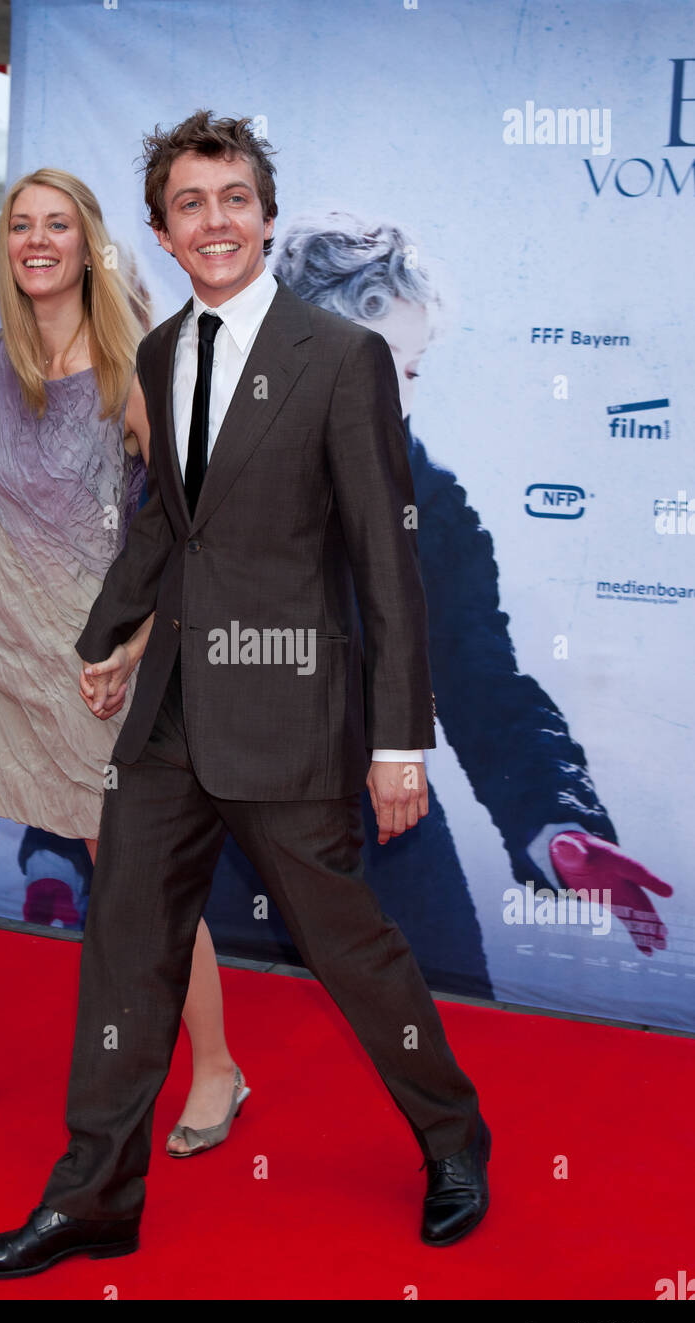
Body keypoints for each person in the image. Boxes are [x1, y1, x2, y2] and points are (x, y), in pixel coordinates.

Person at [0, 111, 491, 1279]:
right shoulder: (157, 356)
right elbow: (168, 521)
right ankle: (93, 1192)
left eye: (233, 198)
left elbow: (384, 561)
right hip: (166, 717)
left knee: (349, 950)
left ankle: (453, 1135)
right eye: (190, 204)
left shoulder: (338, 357)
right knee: (122, 951)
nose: (214, 221)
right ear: (159, 230)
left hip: (290, 715)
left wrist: (399, 739)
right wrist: (107, 634)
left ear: (264, 215)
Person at [0, 168, 246, 1158]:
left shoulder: (136, 367)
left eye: (56, 224)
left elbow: (192, 524)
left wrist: (135, 642)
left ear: (87, 244)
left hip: (94, 655)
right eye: (21, 224)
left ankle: (215, 1067)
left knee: (138, 877)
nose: (37, 238)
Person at [274, 212, 670, 968]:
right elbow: (139, 677)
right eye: (374, 359)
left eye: (412, 367)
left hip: (389, 841)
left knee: (443, 1043)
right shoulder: (205, 479)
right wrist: (60, 847)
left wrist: (559, 824)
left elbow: (483, 682)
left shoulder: (435, 505)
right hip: (232, 852)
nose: (397, 391)